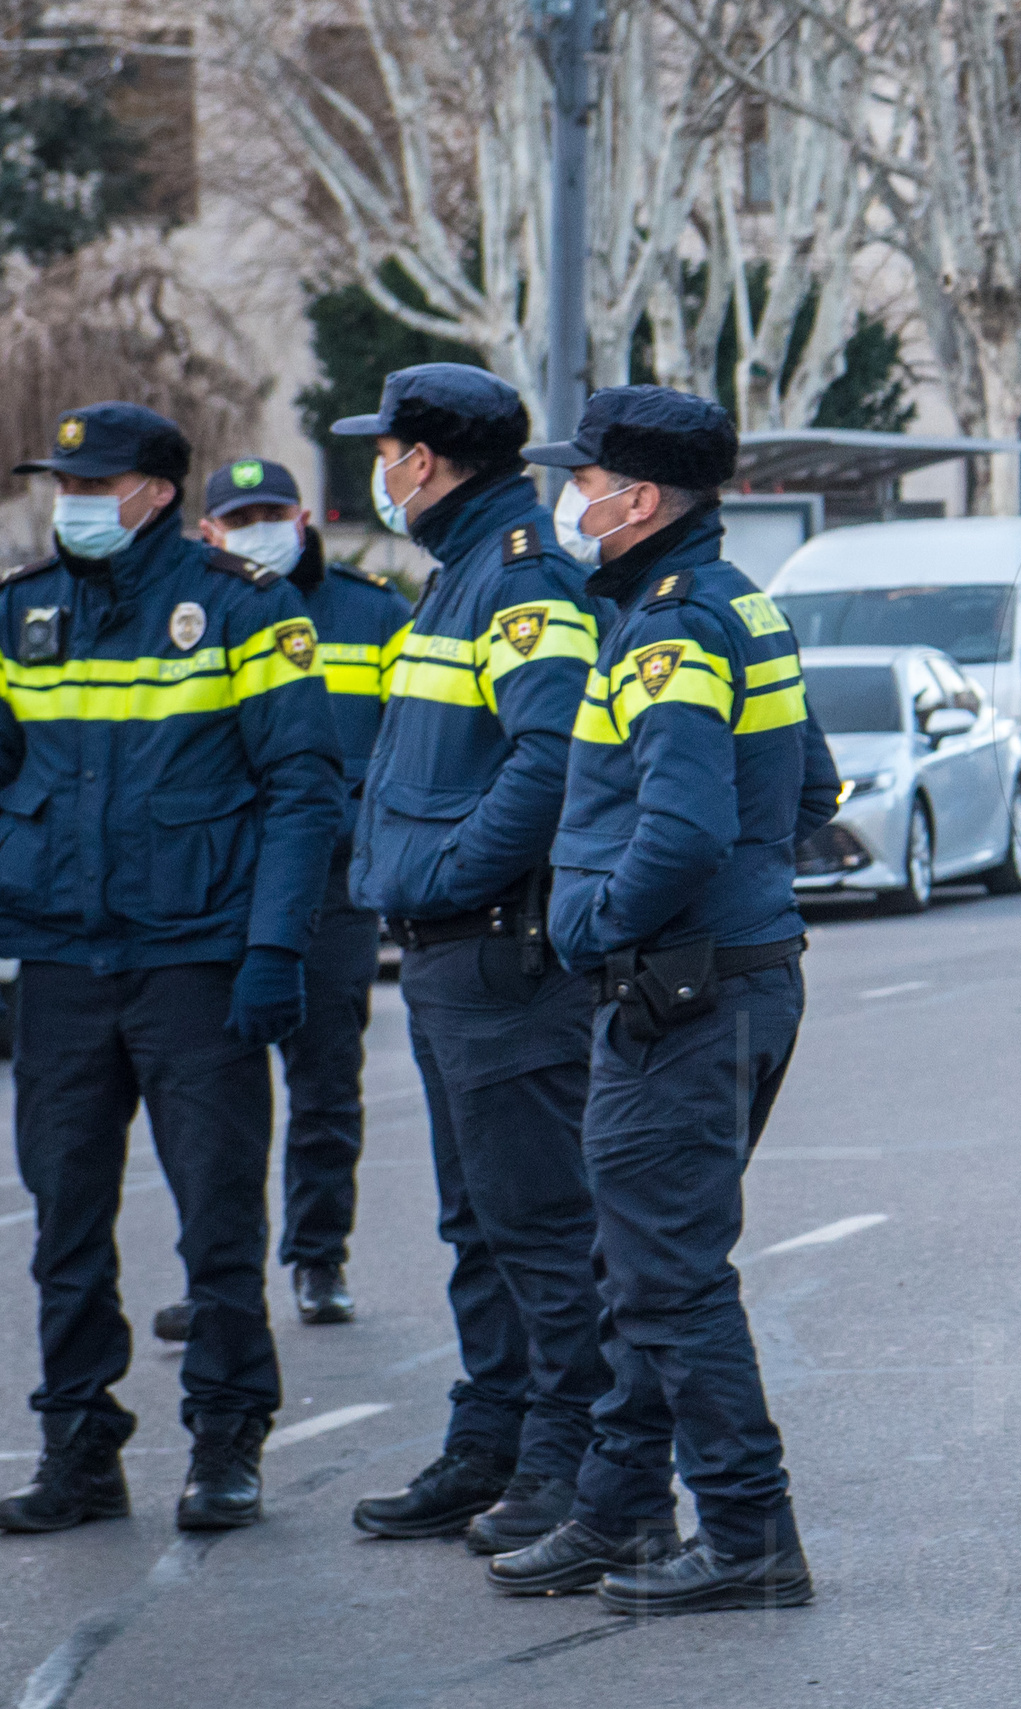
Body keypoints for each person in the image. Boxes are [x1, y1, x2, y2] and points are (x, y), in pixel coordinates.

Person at [481, 387, 837, 1612]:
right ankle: (622, 1510)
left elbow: (681, 827)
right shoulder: (732, 603)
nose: (569, 499)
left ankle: (748, 1533)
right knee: (640, 1261)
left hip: (677, 992)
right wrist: (748, 894)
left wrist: (589, 923)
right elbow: (811, 785)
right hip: (730, 977)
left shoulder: (666, 632)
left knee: (669, 1278)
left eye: (582, 481)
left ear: (637, 499)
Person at [0, 405, 342, 1535]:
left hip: (196, 961)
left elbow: (302, 790)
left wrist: (275, 947)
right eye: (63, 481)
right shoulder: (24, 611)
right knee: (63, 1222)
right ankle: (79, 1449)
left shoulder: (245, 608)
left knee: (216, 1223)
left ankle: (226, 1442)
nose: (72, 500)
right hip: (58, 961)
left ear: (154, 490)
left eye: (93, 482)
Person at [330, 366, 614, 1555]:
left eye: (385, 448)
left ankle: (564, 1465)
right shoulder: (464, 573)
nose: (376, 468)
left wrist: (453, 877)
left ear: (428, 460)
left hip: (497, 955)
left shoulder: (522, 579)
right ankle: (489, 1438)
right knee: (478, 1222)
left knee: (538, 1227)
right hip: (454, 959)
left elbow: (550, 758)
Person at [147, 459, 410, 1344]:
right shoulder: (189, 612)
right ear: (209, 531)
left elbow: (412, 745)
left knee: (324, 1080)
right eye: (240, 515)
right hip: (218, 880)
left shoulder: (374, 611)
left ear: (302, 517)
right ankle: (215, 1276)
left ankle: (317, 1255)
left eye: (273, 511)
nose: (259, 525)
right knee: (204, 1099)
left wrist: (347, 812)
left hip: (329, 884)